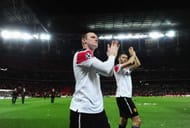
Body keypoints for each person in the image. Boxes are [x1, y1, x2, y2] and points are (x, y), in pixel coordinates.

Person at [69, 32, 120, 128]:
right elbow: (107, 69)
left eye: (97, 38)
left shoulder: (92, 58)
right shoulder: (82, 54)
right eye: (92, 37)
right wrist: (112, 56)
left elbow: (109, 73)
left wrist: (110, 58)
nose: (96, 39)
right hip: (83, 110)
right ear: (84, 40)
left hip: (98, 110)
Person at [113, 46, 141, 128]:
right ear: (119, 59)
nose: (125, 59)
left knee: (123, 119)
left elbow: (138, 64)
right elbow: (130, 62)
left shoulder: (127, 69)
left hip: (122, 97)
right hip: (123, 96)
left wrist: (134, 55)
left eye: (126, 57)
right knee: (137, 120)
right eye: (123, 57)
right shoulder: (117, 67)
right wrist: (133, 55)